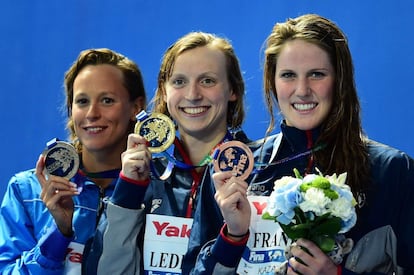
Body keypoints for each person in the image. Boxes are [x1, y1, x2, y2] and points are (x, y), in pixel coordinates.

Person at [195, 14, 414, 274]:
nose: (302, 89)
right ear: (272, 82)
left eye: (317, 74)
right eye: (288, 75)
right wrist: (232, 237)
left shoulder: (391, 171)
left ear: (340, 80)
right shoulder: (236, 170)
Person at [91, 31, 250, 275]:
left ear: (233, 90)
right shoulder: (144, 176)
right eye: (179, 82)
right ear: (164, 91)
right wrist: (127, 193)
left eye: (207, 81)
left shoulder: (257, 171)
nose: (192, 95)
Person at [0, 48, 146, 274]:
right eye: (82, 101)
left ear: (136, 107)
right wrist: (57, 234)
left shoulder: (159, 191)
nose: (91, 113)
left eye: (107, 100)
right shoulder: (27, 191)